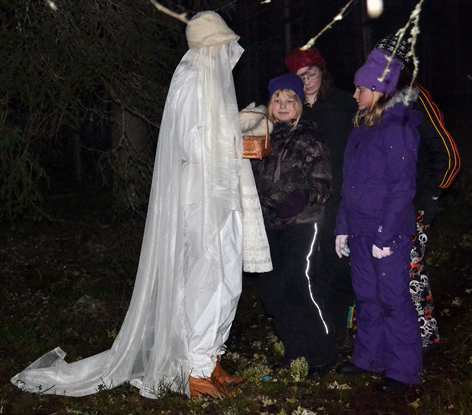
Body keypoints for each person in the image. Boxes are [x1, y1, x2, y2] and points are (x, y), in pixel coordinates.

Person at [11, 11, 271, 400]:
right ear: (209, 46)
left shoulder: (214, 82)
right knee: (203, 281)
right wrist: (239, 134)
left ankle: (210, 357)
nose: (228, 52)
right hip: (200, 199)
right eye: (222, 45)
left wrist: (243, 125)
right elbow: (193, 144)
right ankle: (194, 368)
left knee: (226, 281)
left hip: (222, 194)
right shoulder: (189, 82)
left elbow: (217, 133)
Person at [335, 48, 423, 393]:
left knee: (392, 299)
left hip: (387, 233)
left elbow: (402, 187)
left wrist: (386, 235)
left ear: (380, 90)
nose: (355, 94)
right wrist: (343, 227)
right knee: (366, 296)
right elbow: (350, 183)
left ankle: (404, 370)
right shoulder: (361, 128)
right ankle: (369, 358)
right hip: (359, 230)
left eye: (361, 89)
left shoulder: (397, 128)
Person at [375, 34, 461, 349]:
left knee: (408, 269)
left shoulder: (415, 97)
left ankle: (422, 335)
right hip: (381, 207)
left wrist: (432, 196)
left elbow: (450, 155)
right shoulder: (373, 102)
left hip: (414, 205)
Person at [252, 73, 336, 375]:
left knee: (301, 286)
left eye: (290, 100)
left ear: (300, 104)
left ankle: (323, 353)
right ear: (270, 105)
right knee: (273, 291)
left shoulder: (309, 136)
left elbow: (323, 181)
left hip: (303, 222)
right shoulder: (263, 137)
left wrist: (299, 199)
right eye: (278, 100)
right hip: (269, 225)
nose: (284, 105)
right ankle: (296, 351)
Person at [285, 48, 357, 345]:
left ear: (322, 72)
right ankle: (321, 327)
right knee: (311, 264)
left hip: (342, 194)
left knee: (340, 260)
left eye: (311, 73)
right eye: (300, 77)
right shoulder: (294, 110)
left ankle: (345, 323)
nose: (307, 81)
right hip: (307, 201)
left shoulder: (343, 104)